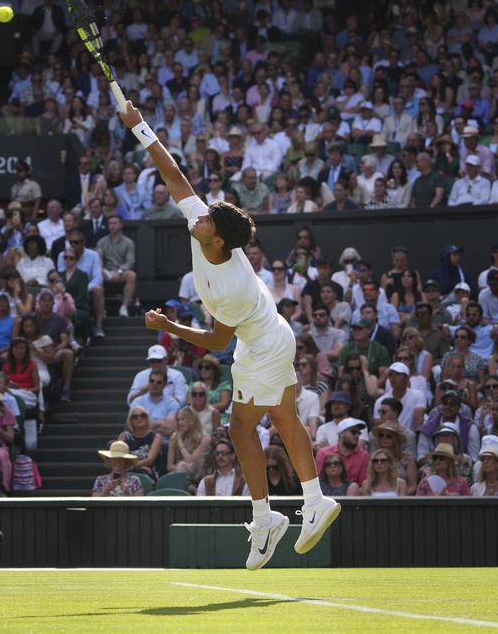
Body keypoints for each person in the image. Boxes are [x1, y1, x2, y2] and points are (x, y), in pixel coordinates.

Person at [122, 100, 337, 570]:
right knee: (283, 419)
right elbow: (172, 169)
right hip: (276, 336)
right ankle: (314, 500)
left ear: (217, 239)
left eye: (204, 222)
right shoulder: (207, 227)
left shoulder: (234, 286)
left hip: (261, 345)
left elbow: (219, 344)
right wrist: (140, 128)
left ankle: (265, 519)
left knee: (240, 427)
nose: (195, 219)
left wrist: (167, 327)